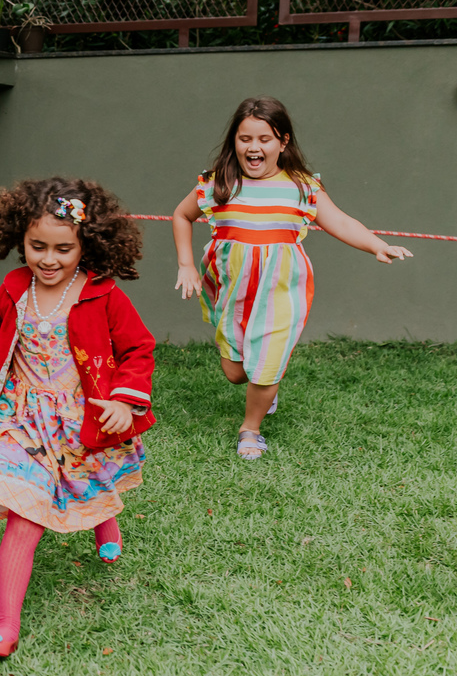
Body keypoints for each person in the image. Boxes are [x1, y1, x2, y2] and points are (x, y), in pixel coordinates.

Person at [0, 177, 155, 659]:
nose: (48, 259)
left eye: (63, 249)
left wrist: (124, 402)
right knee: (23, 513)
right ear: (19, 239)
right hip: (19, 418)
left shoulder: (101, 294)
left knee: (89, 479)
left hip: (80, 416)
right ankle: (6, 626)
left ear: (86, 244)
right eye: (37, 246)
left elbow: (138, 348)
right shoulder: (14, 287)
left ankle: (105, 525)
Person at [172, 96, 412, 459]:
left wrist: (375, 245)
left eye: (264, 139)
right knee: (236, 373)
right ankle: (264, 380)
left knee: (264, 369)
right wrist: (186, 264)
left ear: (282, 142)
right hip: (233, 290)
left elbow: (341, 221)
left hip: (280, 291)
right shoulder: (217, 184)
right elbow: (181, 215)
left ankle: (250, 429)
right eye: (245, 138)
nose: (254, 147)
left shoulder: (302, 187)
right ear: (234, 141)